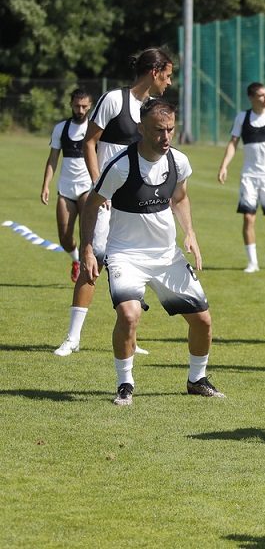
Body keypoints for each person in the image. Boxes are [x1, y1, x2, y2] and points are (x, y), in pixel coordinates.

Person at [78, 98, 223, 405]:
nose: (166, 137)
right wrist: (88, 249)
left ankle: (197, 379)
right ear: (141, 128)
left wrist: (191, 233)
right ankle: (125, 384)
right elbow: (91, 205)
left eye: (170, 129)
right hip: (126, 255)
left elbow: (180, 198)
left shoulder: (178, 162)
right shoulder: (120, 166)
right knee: (129, 316)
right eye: (159, 130)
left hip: (166, 256)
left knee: (203, 321)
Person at [54, 47, 174, 357]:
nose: (170, 82)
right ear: (155, 72)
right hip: (108, 201)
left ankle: (131, 339)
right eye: (168, 75)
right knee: (92, 262)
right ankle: (73, 337)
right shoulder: (113, 100)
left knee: (135, 266)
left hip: (136, 206)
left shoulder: (153, 109)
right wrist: (99, 186)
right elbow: (89, 143)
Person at [218, 82, 265, 273]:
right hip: (249, 178)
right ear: (251, 98)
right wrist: (224, 166)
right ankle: (252, 262)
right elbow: (233, 144)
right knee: (248, 219)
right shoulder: (242, 118)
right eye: (261, 95)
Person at [40, 88, 93, 283]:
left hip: (87, 188)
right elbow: (52, 159)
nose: (80, 110)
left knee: (87, 234)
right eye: (77, 106)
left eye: (84, 106)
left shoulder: (94, 129)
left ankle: (87, 273)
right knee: (64, 238)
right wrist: (46, 185)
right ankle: (76, 260)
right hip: (66, 189)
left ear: (90, 107)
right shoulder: (60, 129)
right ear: (71, 104)